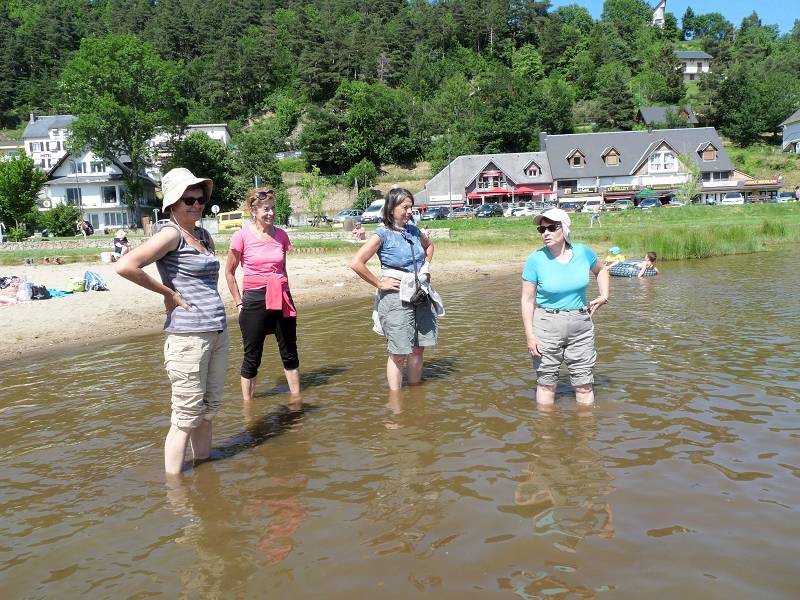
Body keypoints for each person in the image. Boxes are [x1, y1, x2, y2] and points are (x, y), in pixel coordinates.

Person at [115, 167, 228, 475]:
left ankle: (205, 474)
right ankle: (175, 491)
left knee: (207, 412)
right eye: (188, 199)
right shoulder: (170, 234)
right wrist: (168, 293)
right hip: (188, 337)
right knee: (185, 416)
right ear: (173, 204)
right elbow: (126, 266)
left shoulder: (203, 235)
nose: (196, 205)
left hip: (217, 332)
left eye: (200, 199)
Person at [350, 188, 443, 391]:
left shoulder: (414, 231)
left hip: (420, 294)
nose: (410, 211)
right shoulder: (382, 234)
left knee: (418, 348)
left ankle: (416, 393)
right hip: (395, 297)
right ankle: (396, 401)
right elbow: (357, 263)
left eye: (411, 207)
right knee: (399, 352)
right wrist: (379, 283)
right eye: (405, 207)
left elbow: (429, 247)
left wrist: (425, 267)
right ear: (391, 209)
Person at [520, 208, 610, 407]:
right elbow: (527, 300)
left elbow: (601, 269)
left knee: (584, 384)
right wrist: (530, 335)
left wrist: (604, 295)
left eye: (551, 228)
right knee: (546, 384)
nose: (545, 233)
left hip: (581, 325)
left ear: (565, 229)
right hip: (546, 325)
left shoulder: (583, 252)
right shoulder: (535, 259)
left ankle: (585, 432)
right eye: (541, 229)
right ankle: (545, 433)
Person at [225, 188, 300, 402]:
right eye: (266, 209)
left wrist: (286, 295)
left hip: (282, 297)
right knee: (252, 357)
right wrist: (239, 304)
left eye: (273, 208)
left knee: (289, 351)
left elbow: (282, 269)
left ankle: (296, 401)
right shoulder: (241, 236)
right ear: (253, 209)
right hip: (254, 299)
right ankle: (248, 408)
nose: (271, 213)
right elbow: (229, 272)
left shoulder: (282, 235)